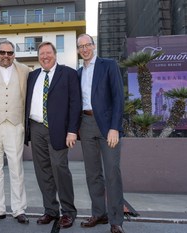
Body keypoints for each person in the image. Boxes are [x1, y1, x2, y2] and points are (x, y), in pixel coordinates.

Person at [25, 41, 81, 229]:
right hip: (36, 128)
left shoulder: (69, 74)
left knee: (60, 168)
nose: (45, 57)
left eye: (48, 53)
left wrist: (72, 130)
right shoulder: (32, 76)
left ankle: (68, 212)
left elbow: (75, 104)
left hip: (59, 130)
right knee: (43, 171)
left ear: (55, 55)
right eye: (42, 54)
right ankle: (50, 210)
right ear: (38, 56)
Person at [77, 33, 125, 233]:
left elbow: (118, 97)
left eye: (88, 45)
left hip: (107, 126)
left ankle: (116, 221)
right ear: (78, 50)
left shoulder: (109, 65)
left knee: (112, 172)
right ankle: (99, 214)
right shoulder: (77, 72)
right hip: (85, 124)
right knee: (92, 173)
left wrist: (115, 127)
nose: (85, 49)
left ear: (94, 46)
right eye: (81, 46)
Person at [0, 40, 30, 224]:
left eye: (9, 53)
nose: (6, 56)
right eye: (2, 52)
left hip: (15, 125)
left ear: (14, 55)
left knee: (17, 169)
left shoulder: (25, 71)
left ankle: (19, 209)